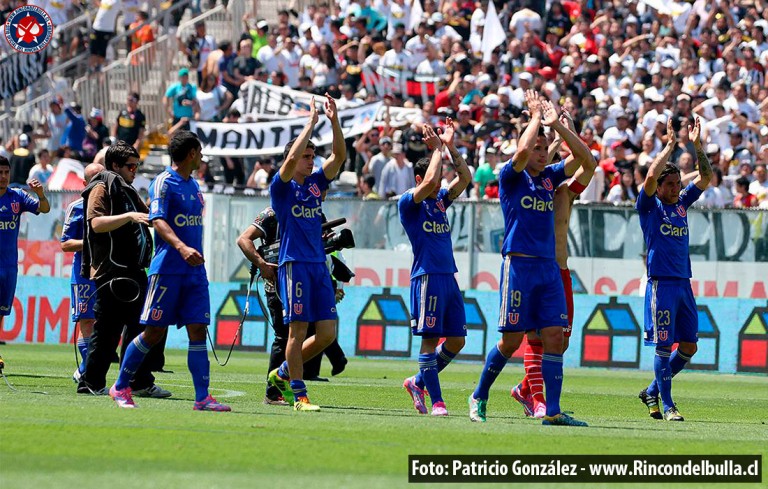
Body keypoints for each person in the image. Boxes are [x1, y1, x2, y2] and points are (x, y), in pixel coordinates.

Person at [468, 92, 592, 426]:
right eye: (536, 147)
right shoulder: (511, 176)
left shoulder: (549, 178)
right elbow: (522, 152)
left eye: (543, 148)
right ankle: (479, 394)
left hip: (548, 269)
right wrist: (536, 118)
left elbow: (587, 159)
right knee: (510, 341)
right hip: (519, 266)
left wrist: (558, 128)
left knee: (554, 337)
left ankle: (552, 411)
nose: (539, 153)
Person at [108, 132, 230, 411]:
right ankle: (121, 386)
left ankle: (202, 398)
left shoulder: (194, 185)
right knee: (153, 332)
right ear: (191, 153)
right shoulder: (163, 182)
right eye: (199, 152)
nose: (201, 158)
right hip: (168, 269)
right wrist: (181, 248)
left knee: (198, 329)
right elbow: (157, 220)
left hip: (195, 272)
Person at [511, 110, 596, 419]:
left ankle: (524, 390)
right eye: (541, 151)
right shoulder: (523, 188)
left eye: (549, 152)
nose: (545, 158)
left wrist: (566, 128)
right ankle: (539, 401)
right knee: (535, 338)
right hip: (533, 269)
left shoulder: (565, 193)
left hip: (559, 272)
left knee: (558, 343)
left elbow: (587, 163)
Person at [266, 94, 346, 412]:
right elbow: (287, 165)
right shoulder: (280, 186)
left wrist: (334, 120)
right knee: (297, 331)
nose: (310, 160)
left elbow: (339, 157)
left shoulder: (315, 184)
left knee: (326, 334)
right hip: (294, 264)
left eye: (312, 155)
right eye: (306, 155)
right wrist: (310, 124)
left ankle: (281, 374)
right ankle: (299, 396)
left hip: (317, 264)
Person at [637, 117, 712, 422]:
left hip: (683, 283)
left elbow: (706, 177)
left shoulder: (681, 204)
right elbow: (650, 177)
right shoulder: (650, 206)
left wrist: (697, 145)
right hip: (661, 285)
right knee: (664, 346)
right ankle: (668, 405)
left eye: (677, 184)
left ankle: (652, 390)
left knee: (690, 346)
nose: (674, 188)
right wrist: (669, 145)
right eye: (669, 184)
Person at [79, 141, 167, 398]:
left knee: (139, 326)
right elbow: (95, 223)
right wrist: (128, 217)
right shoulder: (102, 185)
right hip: (113, 272)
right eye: (130, 166)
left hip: (132, 270)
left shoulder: (126, 189)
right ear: (115, 165)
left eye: (137, 166)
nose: (135, 170)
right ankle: (91, 383)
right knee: (109, 332)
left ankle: (137, 381)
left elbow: (148, 215)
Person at [237, 206, 349, 405]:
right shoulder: (272, 214)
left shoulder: (313, 211)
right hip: (278, 284)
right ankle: (273, 393)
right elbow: (244, 239)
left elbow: (323, 243)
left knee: (314, 332)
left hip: (307, 281)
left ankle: (283, 376)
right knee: (284, 336)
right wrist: (261, 264)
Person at [400, 119, 472, 416]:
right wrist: (438, 148)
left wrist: (450, 146)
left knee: (457, 340)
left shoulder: (440, 201)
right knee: (430, 339)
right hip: (426, 275)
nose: (441, 181)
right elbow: (430, 182)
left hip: (447, 276)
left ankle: (418, 382)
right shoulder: (409, 202)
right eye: (436, 174)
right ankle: (437, 401)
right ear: (418, 177)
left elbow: (465, 178)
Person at [61, 162, 104, 385]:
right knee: (87, 321)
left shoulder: (111, 207)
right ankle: (89, 373)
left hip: (107, 273)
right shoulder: (77, 207)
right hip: (84, 273)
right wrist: (90, 243)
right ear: (85, 184)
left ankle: (86, 370)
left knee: (105, 323)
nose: (101, 184)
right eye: (95, 180)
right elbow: (65, 244)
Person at [0, 157, 50, 331]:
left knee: (1, 311)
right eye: (0, 173)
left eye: (6, 172)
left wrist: (40, 194)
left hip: (9, 266)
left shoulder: (17, 196)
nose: (4, 176)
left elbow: (44, 209)